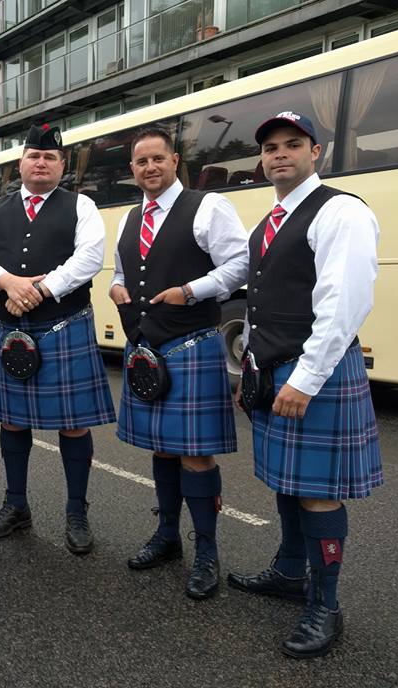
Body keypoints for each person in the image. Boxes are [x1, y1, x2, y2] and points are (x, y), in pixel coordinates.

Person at [227, 111, 382, 658]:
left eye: (293, 144)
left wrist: (309, 378)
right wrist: (250, 367)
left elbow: (344, 302)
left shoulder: (340, 210)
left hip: (313, 369)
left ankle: (325, 604)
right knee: (287, 482)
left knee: (317, 490)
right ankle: (291, 572)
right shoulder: (268, 221)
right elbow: (260, 304)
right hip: (272, 369)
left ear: (315, 152)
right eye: (270, 148)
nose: (280, 155)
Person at [0, 123, 116, 555]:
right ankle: (16, 505)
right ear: (21, 162)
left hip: (63, 323)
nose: (41, 162)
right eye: (34, 155)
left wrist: (39, 290)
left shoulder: (81, 205)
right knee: (12, 420)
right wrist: (9, 283)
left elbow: (89, 257)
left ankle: (76, 510)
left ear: (62, 165)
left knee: (73, 423)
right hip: (7, 324)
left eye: (50, 157)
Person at [109, 127, 248, 599]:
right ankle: (167, 535)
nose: (149, 168)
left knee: (194, 453)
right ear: (133, 170)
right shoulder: (131, 216)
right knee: (162, 448)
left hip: (190, 343)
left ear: (175, 161)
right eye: (141, 162)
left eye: (157, 159)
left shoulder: (207, 207)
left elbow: (239, 266)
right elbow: (122, 272)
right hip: (146, 347)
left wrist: (192, 291)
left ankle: (206, 550)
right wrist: (115, 288)